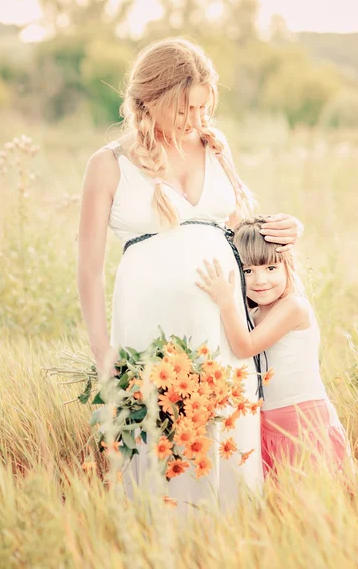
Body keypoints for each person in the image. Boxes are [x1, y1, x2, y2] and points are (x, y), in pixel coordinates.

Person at [77, 38, 300, 508]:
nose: (195, 120)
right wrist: (103, 351)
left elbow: (243, 233)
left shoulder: (215, 147)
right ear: (149, 99)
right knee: (163, 448)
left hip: (222, 327)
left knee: (226, 437)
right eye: (183, 109)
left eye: (203, 107)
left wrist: (287, 229)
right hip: (148, 328)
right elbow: (89, 269)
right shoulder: (108, 164)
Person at [196, 216, 351, 477]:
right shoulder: (252, 315)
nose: (259, 281)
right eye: (248, 271)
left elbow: (246, 347)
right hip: (267, 425)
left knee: (314, 500)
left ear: (288, 266)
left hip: (304, 423)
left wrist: (226, 302)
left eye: (270, 268)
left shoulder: (293, 307)